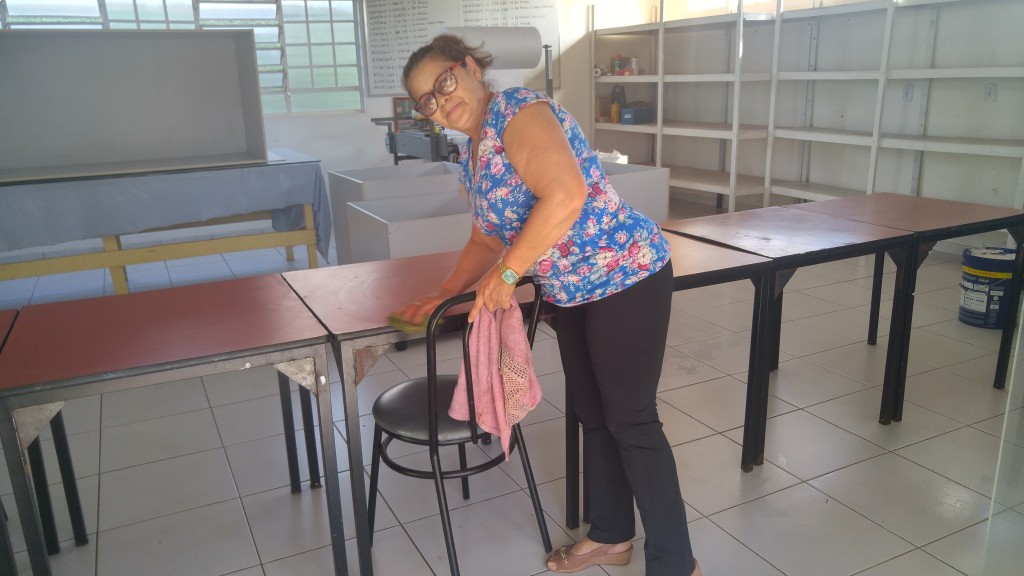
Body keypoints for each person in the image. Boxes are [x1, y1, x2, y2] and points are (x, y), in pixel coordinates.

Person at [394, 34, 700, 576]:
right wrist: (445, 292)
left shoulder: (516, 111)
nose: (441, 101)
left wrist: (508, 274)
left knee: (631, 420)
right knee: (593, 415)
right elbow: (486, 239)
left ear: (470, 67)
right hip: (570, 291)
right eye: (427, 100)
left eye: (444, 82)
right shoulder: (472, 156)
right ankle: (611, 535)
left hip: (625, 272)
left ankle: (676, 565)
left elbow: (565, 194)